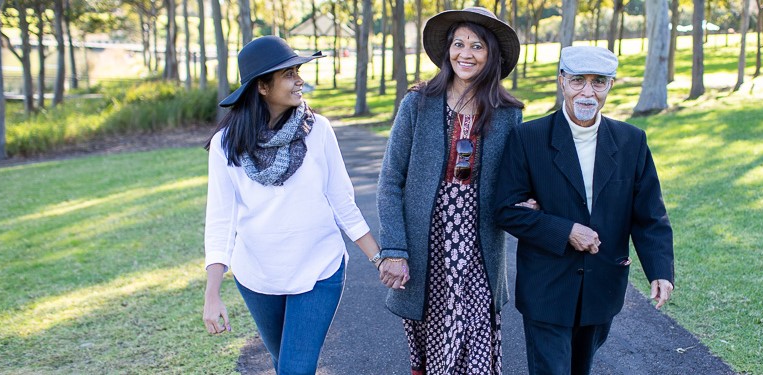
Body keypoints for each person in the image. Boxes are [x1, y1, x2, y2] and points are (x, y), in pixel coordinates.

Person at [200, 36, 404, 374]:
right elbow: (221, 219)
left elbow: (342, 202)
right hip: (257, 275)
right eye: (289, 74)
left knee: (296, 368)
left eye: (298, 72)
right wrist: (212, 293)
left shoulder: (318, 130)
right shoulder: (227, 144)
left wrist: (378, 257)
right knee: (287, 365)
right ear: (262, 87)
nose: (300, 81)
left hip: (318, 269)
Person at [493, 46, 676, 375]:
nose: (588, 92)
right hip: (546, 287)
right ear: (561, 81)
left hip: (601, 286)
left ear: (611, 85)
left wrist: (660, 270)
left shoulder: (632, 141)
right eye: (578, 80)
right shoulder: (527, 137)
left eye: (599, 82)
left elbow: (649, 215)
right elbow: (505, 210)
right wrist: (566, 232)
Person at [376, 7, 526, 375]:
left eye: (477, 46)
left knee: (475, 338)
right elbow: (391, 180)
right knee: (432, 338)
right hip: (427, 245)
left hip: (479, 245)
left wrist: (525, 199)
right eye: (458, 44)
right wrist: (394, 249)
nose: (466, 53)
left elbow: (516, 177)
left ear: (491, 54)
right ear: (447, 51)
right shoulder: (418, 103)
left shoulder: (508, 112)